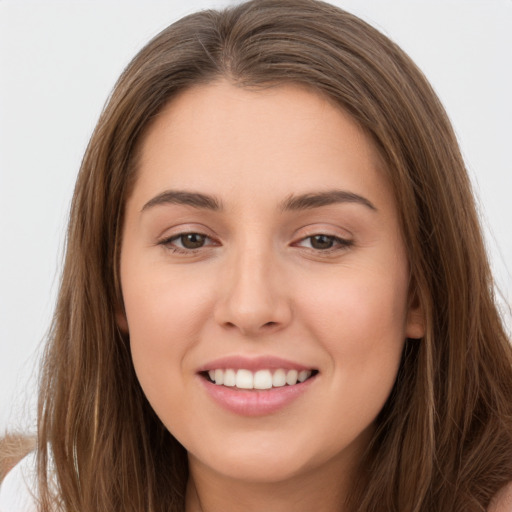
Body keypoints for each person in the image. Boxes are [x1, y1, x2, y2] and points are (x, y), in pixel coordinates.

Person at [1, 0, 512, 510]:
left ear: (422, 288)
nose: (249, 308)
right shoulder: (32, 497)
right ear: (114, 288)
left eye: (322, 240)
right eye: (190, 240)